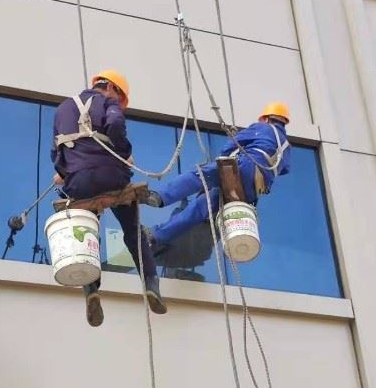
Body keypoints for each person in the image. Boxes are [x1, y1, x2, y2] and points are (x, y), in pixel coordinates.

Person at [51, 69, 165, 327]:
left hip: (78, 182)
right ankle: (151, 283)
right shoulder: (107, 102)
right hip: (111, 175)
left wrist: (64, 172)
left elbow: (55, 149)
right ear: (112, 88)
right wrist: (123, 153)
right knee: (132, 230)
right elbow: (114, 124)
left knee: (86, 230)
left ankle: (91, 290)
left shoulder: (62, 109)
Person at [144, 102, 292, 249]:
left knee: (199, 175)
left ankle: (159, 197)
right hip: (254, 189)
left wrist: (223, 163)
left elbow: (230, 146)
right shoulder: (286, 147)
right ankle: (157, 236)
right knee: (202, 206)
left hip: (244, 167)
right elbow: (284, 169)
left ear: (266, 118)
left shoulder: (262, 127)